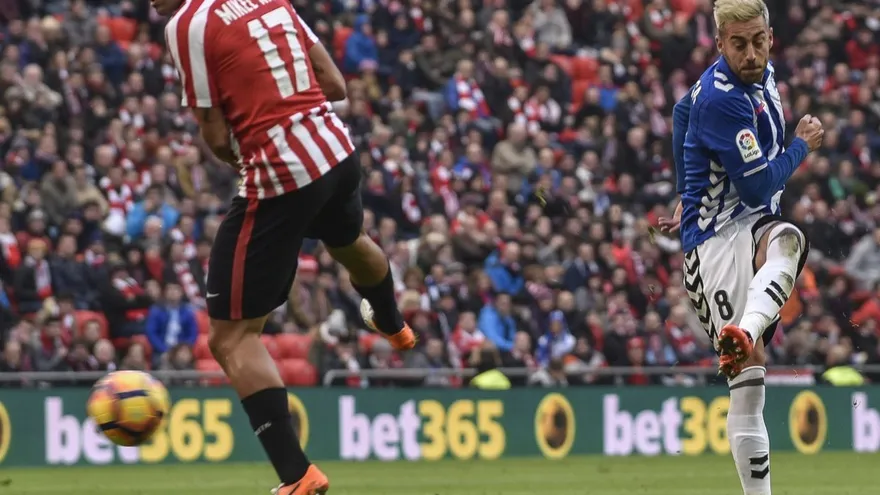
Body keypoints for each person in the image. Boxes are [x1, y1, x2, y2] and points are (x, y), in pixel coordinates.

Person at [152, 0, 416, 493]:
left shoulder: (187, 23)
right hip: (337, 151)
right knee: (349, 241)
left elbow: (212, 132)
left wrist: (250, 155)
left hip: (282, 170)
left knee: (231, 337)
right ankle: (392, 321)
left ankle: (298, 477)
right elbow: (335, 85)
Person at [658, 1, 824, 494]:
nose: (750, 53)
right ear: (719, 43)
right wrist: (801, 146)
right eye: (738, 44)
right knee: (748, 387)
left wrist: (684, 190)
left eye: (758, 41)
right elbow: (754, 188)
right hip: (712, 246)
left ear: (771, 37)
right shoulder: (722, 99)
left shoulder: (759, 74)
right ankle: (743, 341)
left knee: (790, 239)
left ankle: (743, 332)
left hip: (749, 224)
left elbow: (678, 110)